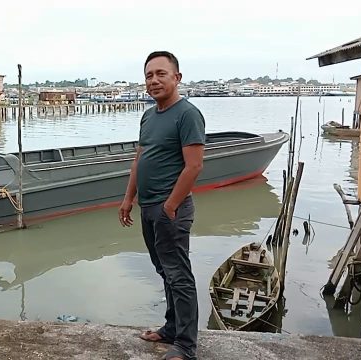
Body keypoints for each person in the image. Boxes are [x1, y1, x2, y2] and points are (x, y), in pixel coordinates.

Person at [118, 51, 205, 360]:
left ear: (176, 78)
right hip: (148, 206)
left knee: (179, 275)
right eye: (148, 75)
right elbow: (140, 159)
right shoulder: (149, 115)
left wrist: (171, 205)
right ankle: (171, 328)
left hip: (172, 209)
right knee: (164, 271)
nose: (153, 81)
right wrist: (129, 198)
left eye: (160, 74)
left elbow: (193, 167)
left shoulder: (187, 114)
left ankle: (185, 345)